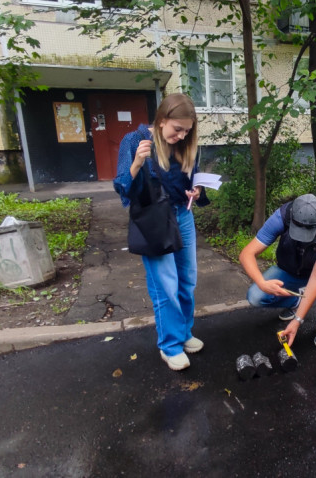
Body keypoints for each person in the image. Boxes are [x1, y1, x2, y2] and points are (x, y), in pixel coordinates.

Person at [113, 93, 208, 371]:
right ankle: (169, 346)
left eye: (187, 131)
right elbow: (122, 187)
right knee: (165, 285)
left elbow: (193, 178)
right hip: (155, 219)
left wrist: (196, 190)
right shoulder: (135, 141)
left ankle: (184, 333)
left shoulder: (185, 145)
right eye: (177, 129)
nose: (181, 135)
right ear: (162, 119)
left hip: (183, 215)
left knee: (187, 281)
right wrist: (136, 164)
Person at [239, 194, 316, 348]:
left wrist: (297, 321)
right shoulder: (281, 217)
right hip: (292, 268)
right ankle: (295, 301)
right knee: (255, 296)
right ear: (292, 218)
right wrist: (262, 283)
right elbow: (247, 254)